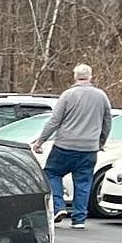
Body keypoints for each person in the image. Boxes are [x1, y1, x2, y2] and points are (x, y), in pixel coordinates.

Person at [31, 64, 112, 229]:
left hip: (65, 145)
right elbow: (107, 121)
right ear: (90, 76)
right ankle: (79, 219)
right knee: (83, 181)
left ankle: (58, 207)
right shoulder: (101, 96)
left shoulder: (68, 95)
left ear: (75, 77)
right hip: (89, 148)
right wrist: (100, 142)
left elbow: (55, 121)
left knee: (52, 173)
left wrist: (40, 141)